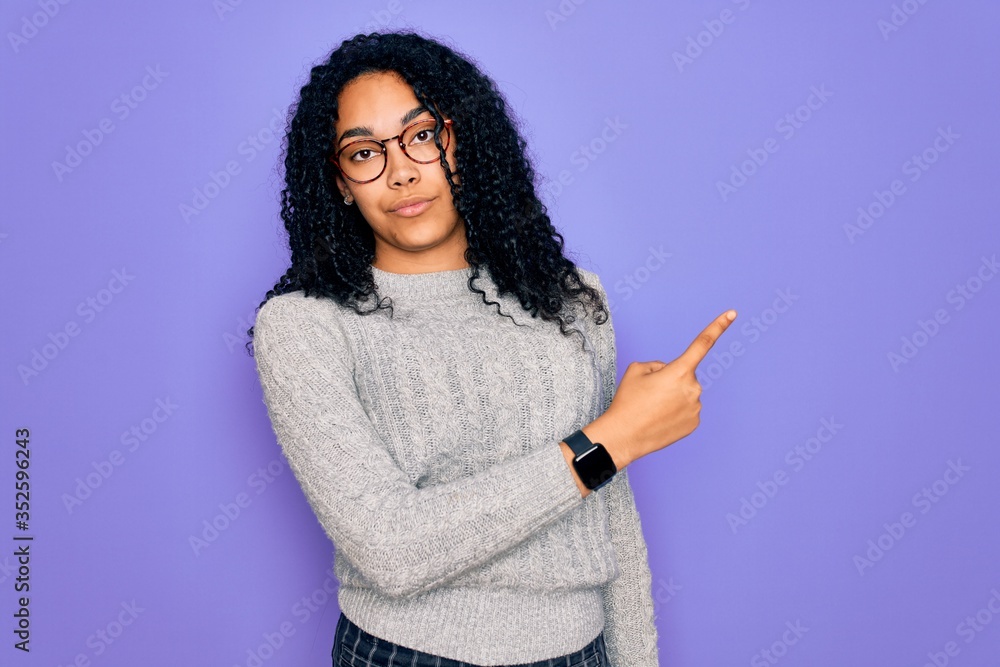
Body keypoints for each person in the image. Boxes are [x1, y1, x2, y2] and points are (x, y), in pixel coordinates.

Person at [248, 30, 737, 667]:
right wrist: (610, 442)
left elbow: (608, 509)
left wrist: (637, 660)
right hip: (409, 654)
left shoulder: (568, 297)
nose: (401, 171)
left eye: (422, 135)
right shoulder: (305, 327)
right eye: (363, 153)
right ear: (340, 182)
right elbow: (393, 550)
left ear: (463, 141)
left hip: (579, 651)